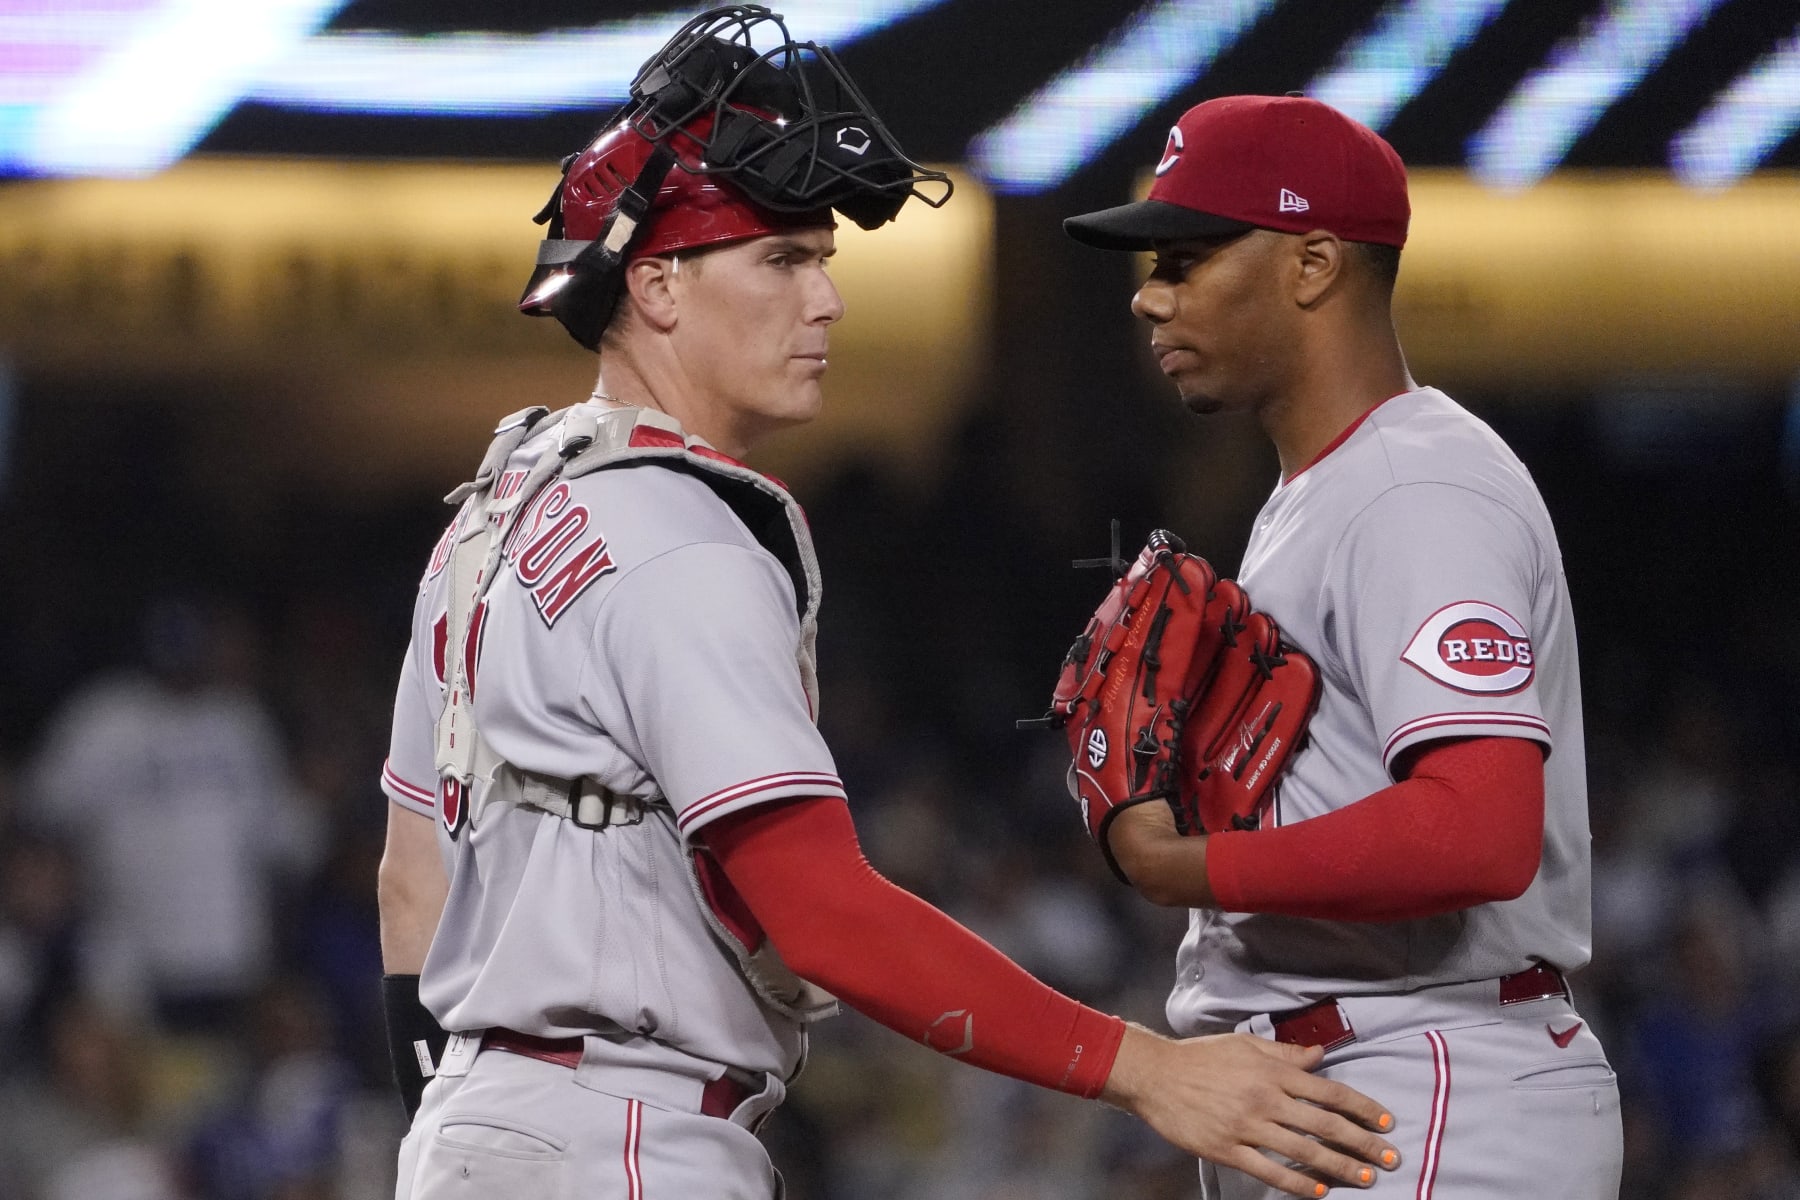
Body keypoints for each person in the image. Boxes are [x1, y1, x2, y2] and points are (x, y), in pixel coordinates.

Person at [375, 11, 1401, 1200]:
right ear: (654, 283)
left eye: (822, 260)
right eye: (782, 260)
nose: (827, 302)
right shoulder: (677, 538)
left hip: (481, 1132)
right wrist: (1146, 1071)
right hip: (623, 1138)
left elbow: (413, 881)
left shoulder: (495, 515)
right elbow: (821, 912)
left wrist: (471, 1135)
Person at [1061, 94, 1625, 1198]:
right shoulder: (1332, 486)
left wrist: (1184, 865)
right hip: (1366, 1083)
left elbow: (1480, 831)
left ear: (1314, 264)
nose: (1149, 298)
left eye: (1184, 258)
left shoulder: (1414, 489)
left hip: (1430, 1087)